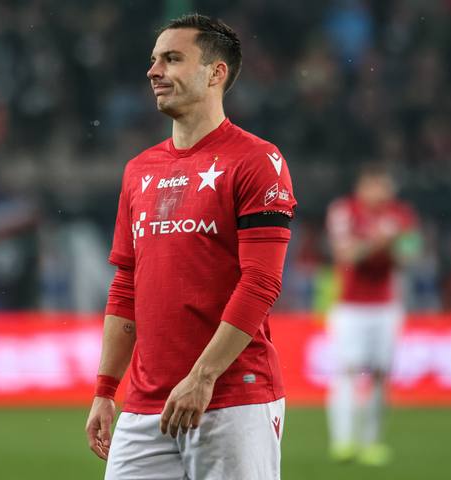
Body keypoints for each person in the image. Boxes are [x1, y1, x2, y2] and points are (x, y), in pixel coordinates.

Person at [84, 13, 297, 480]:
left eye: (172, 59)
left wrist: (202, 377)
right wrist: (106, 388)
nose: (153, 71)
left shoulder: (257, 161)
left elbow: (261, 282)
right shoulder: (139, 170)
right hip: (144, 406)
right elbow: (126, 285)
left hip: (231, 398)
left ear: (215, 73)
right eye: (154, 59)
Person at [325, 163, 421, 466]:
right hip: (350, 306)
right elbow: (345, 255)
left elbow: (411, 255)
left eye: (386, 186)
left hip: (386, 306)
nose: (382, 192)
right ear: (363, 186)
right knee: (348, 371)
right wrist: (379, 241)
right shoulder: (344, 210)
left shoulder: (402, 214)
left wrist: (394, 246)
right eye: (376, 185)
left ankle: (371, 441)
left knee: (380, 374)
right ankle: (343, 441)